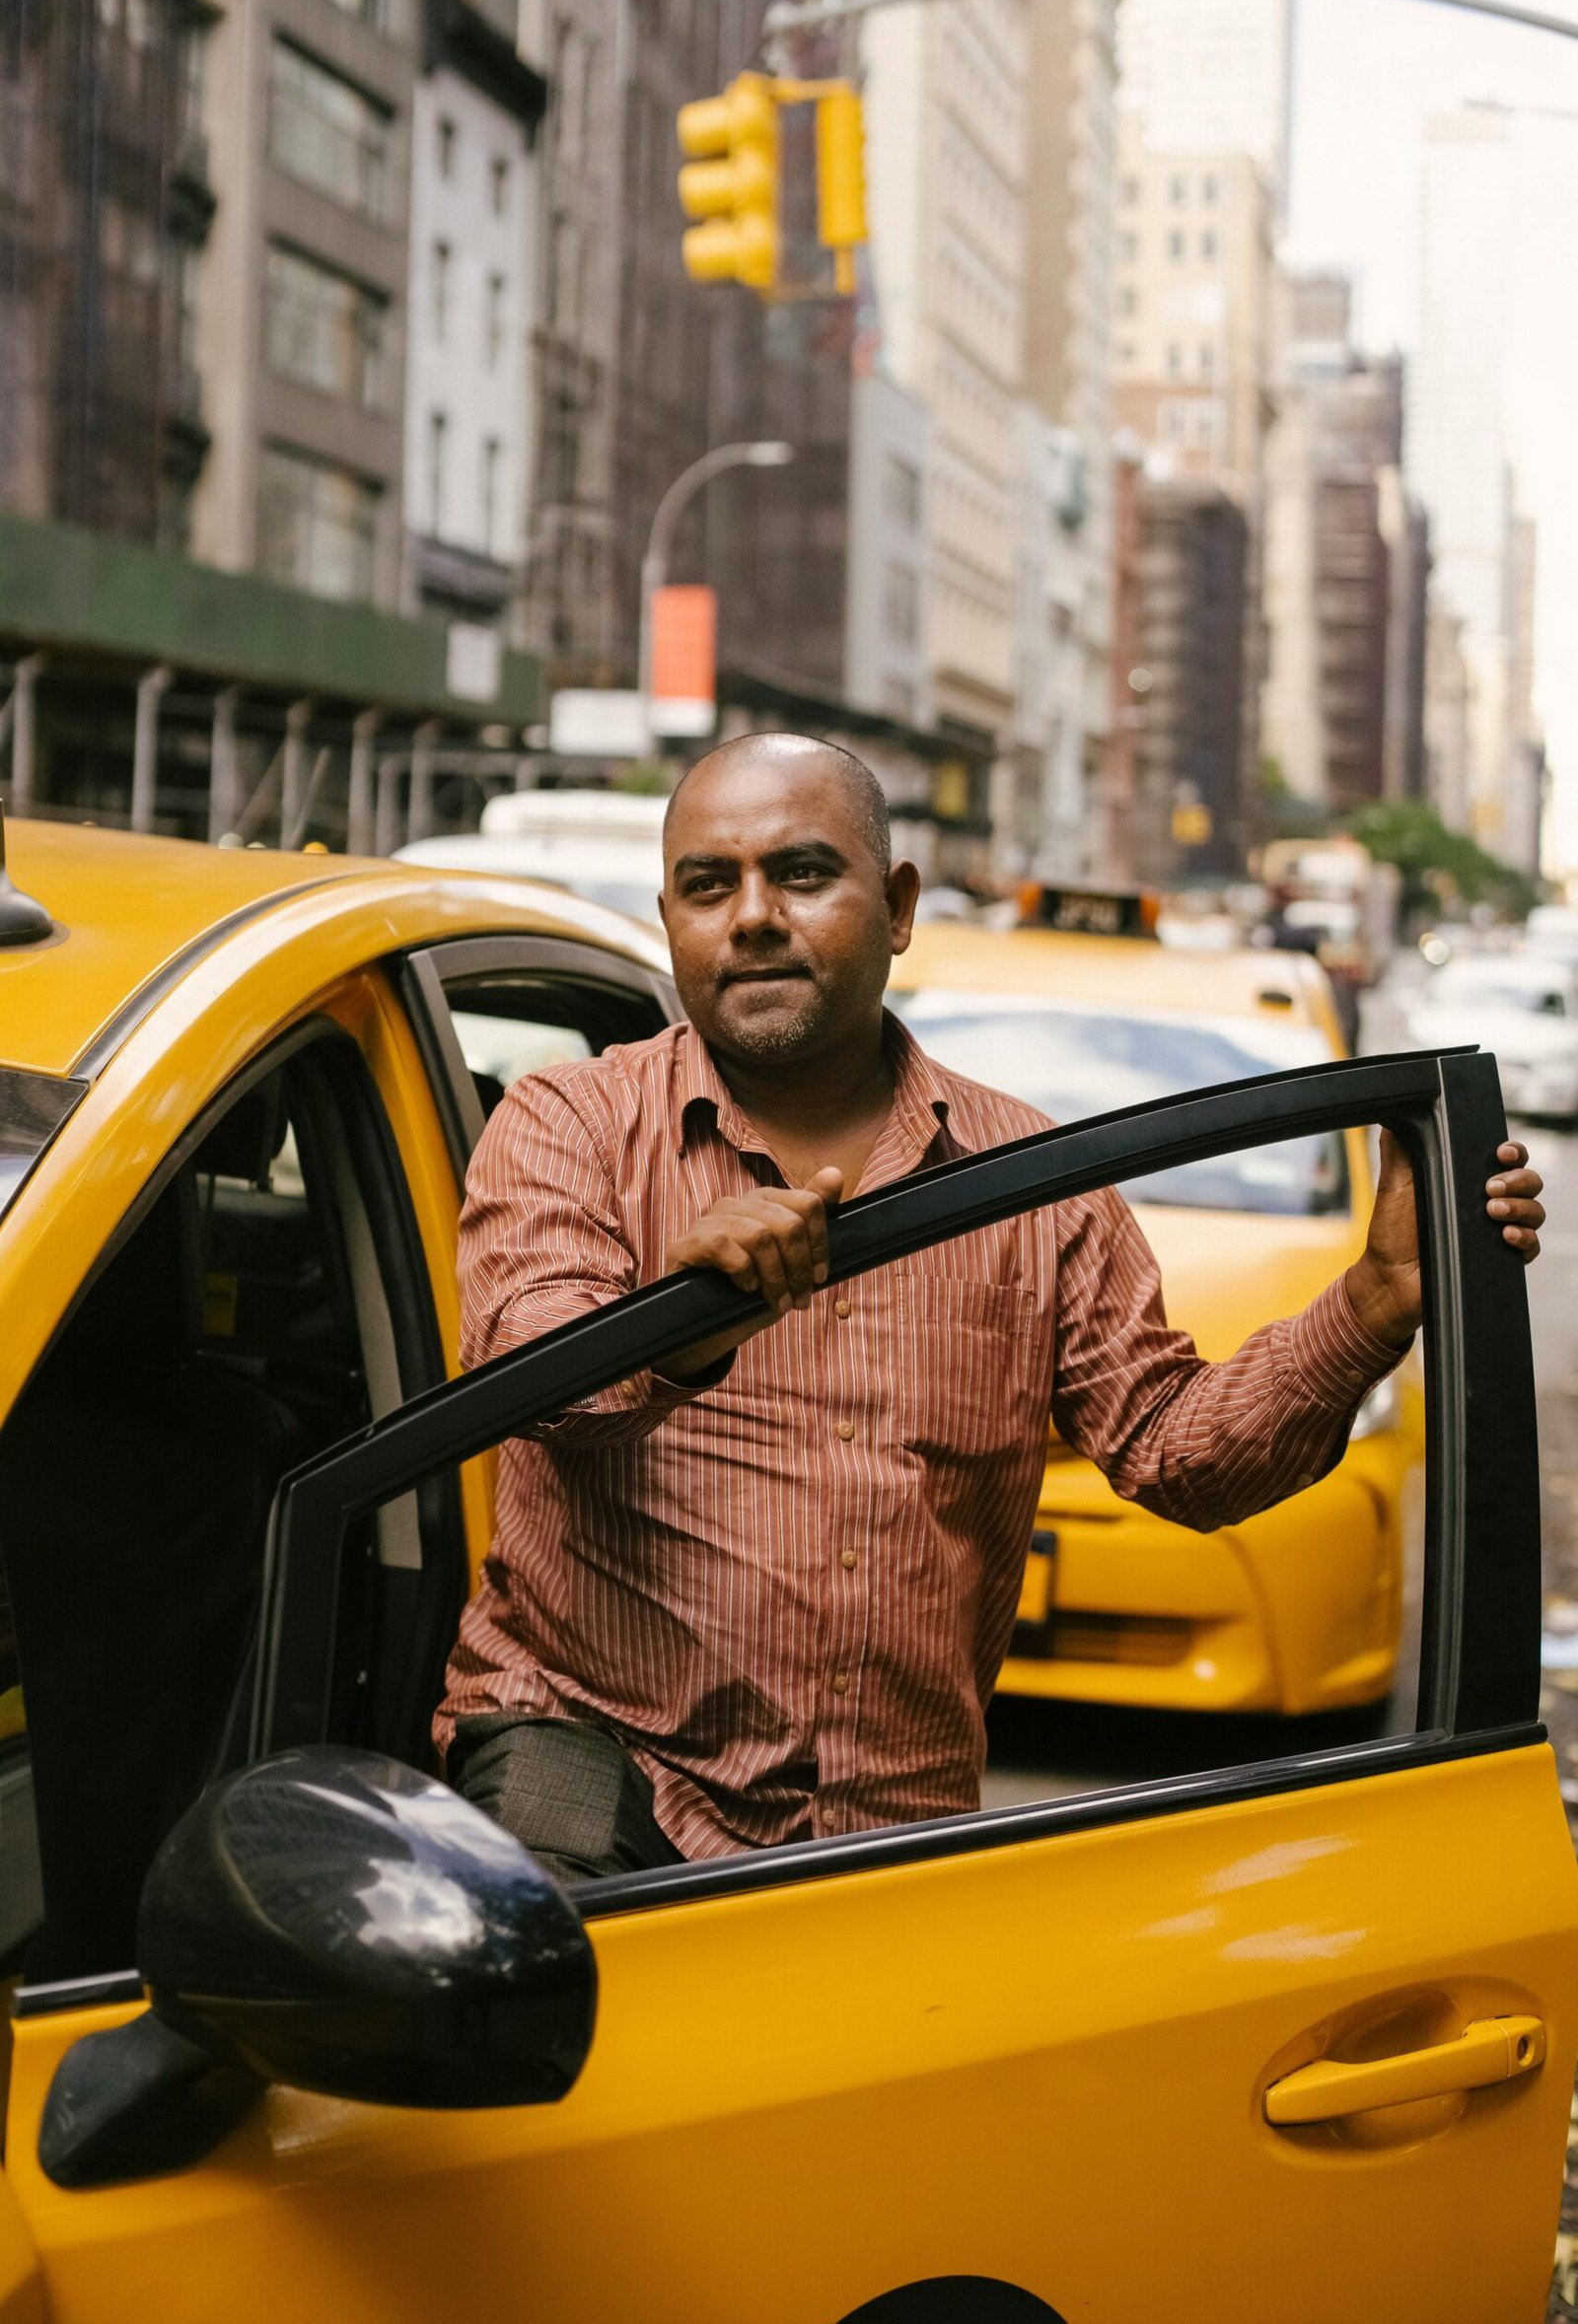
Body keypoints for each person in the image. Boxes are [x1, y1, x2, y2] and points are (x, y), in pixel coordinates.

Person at [435, 733, 1544, 1882]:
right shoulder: (567, 1123)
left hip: (893, 1830)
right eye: (708, 886)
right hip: (594, 1766)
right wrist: (684, 1313)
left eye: (802, 874)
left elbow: (1180, 1456)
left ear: (899, 905)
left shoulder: (1034, 1186)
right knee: (533, 2000)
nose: (753, 916)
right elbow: (532, 1372)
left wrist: (1374, 1301)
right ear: (670, 918)